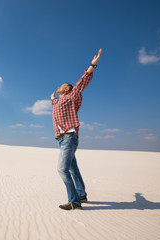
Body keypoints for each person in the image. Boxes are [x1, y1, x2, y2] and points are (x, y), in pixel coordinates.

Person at [50, 49, 102, 210]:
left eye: (61, 85)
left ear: (67, 89)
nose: (58, 86)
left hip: (69, 137)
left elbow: (83, 81)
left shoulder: (72, 96)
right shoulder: (60, 101)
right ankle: (81, 195)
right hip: (63, 139)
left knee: (61, 169)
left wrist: (93, 64)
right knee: (73, 168)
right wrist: (53, 99)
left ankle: (74, 202)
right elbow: (56, 104)